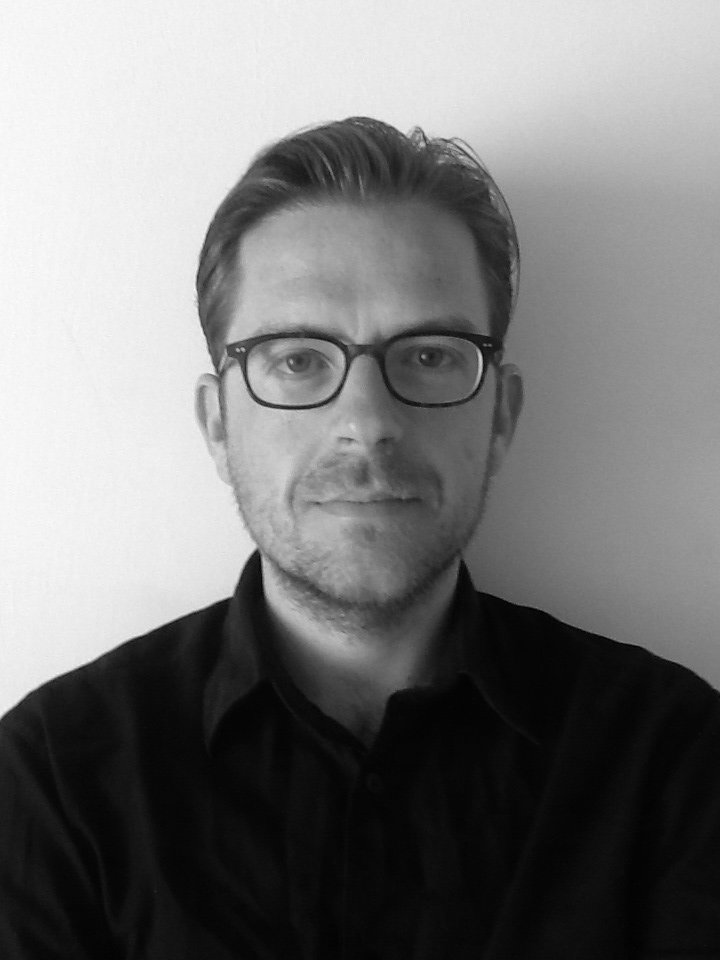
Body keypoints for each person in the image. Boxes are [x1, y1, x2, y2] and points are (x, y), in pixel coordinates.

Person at [1, 117, 719, 959]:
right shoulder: (53, 783)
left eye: (430, 355)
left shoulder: (674, 763)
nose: (367, 421)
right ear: (218, 424)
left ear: (501, 417)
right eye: (298, 359)